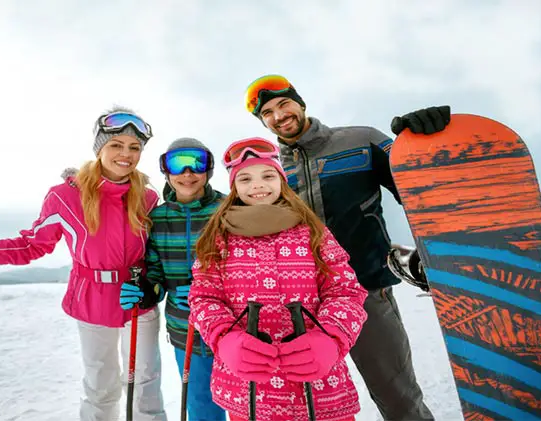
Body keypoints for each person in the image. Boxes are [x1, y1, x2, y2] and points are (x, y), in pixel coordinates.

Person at [0, 106, 168, 421]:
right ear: (100, 148)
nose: (126, 154)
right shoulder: (66, 197)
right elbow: (31, 244)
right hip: (92, 301)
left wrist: (152, 285)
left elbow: (156, 251)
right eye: (116, 145)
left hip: (137, 301)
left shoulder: (147, 198)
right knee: (100, 386)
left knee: (145, 385)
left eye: (135, 147)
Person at [243, 74, 451, 420]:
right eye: (268, 113)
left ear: (300, 101)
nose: (279, 116)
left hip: (368, 289)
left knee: (397, 396)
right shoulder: (268, 171)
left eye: (283, 104)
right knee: (314, 408)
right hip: (303, 306)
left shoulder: (360, 140)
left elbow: (419, 187)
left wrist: (427, 142)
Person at [188, 137, 369, 421]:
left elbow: (345, 291)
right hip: (248, 391)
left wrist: (331, 338)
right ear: (234, 187)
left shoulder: (313, 232)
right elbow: (203, 297)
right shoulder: (218, 238)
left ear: (282, 181)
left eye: (268, 175)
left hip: (317, 387)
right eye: (245, 178)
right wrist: (225, 339)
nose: (257, 185)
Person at [118, 138, 228, 421]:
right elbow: (156, 273)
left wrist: (212, 289)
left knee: (249, 403)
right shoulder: (158, 218)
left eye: (197, 163)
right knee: (202, 405)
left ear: (208, 169)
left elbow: (250, 266)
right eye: (177, 164)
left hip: (235, 326)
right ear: (166, 171)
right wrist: (147, 291)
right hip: (186, 329)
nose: (188, 173)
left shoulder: (229, 210)